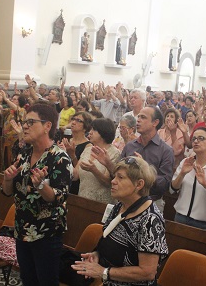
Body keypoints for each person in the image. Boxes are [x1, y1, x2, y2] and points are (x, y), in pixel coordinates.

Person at [2, 102, 73, 285]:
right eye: (24, 122)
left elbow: (58, 198)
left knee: (46, 281)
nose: (25, 126)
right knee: (28, 280)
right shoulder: (23, 154)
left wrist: (41, 185)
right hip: (22, 229)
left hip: (46, 234)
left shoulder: (59, 158)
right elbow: (9, 192)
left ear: (47, 126)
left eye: (31, 122)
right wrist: (8, 179)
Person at [71, 157, 168, 285]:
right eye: (114, 176)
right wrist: (98, 255)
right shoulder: (120, 206)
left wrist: (104, 272)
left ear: (139, 184)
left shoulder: (150, 220)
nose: (113, 181)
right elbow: (110, 241)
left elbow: (148, 272)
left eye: (120, 178)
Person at [92, 106, 174, 213]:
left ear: (155, 122)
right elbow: (119, 174)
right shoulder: (130, 146)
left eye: (143, 117)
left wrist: (144, 170)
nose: (138, 120)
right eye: (138, 116)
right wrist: (108, 163)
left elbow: (164, 184)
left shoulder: (166, 150)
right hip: (125, 201)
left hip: (150, 204)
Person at [171, 127, 206, 231]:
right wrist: (182, 174)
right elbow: (172, 189)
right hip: (180, 218)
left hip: (204, 224)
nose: (196, 141)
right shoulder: (186, 162)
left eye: (201, 138)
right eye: (194, 139)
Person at [74, 118, 120, 203]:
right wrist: (71, 155)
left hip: (101, 204)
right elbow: (75, 176)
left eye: (94, 130)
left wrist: (94, 170)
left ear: (104, 132)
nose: (90, 132)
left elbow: (108, 183)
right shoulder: (88, 149)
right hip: (83, 199)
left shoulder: (114, 153)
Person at [59, 111, 93, 195]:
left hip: (74, 186)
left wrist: (72, 155)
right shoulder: (66, 140)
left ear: (85, 127)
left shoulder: (88, 146)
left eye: (78, 121)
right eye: (73, 119)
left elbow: (80, 172)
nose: (73, 122)